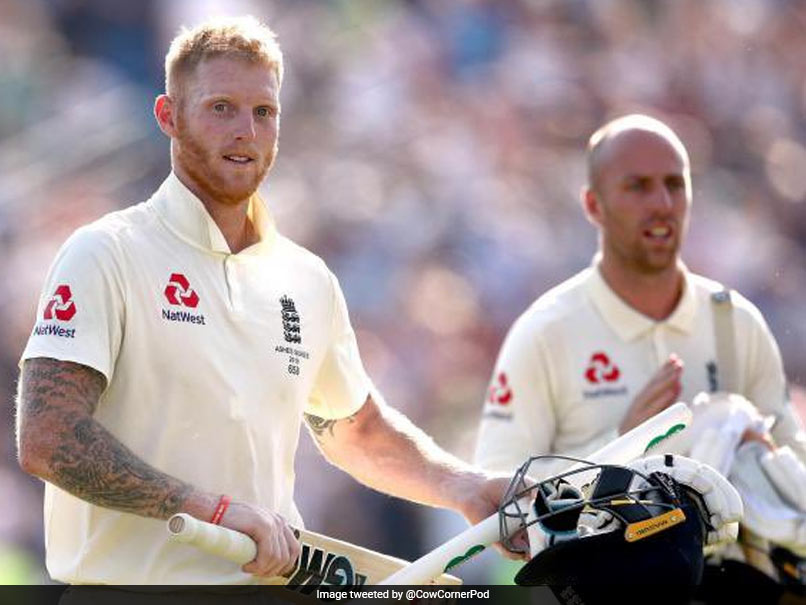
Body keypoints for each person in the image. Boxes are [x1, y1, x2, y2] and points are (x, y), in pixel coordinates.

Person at [15, 16, 511, 586]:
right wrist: (212, 511)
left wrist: (465, 487)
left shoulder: (306, 278)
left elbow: (358, 432)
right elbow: (48, 438)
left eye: (263, 112)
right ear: (168, 117)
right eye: (221, 107)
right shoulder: (106, 253)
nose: (245, 131)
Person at [474, 113, 806, 478]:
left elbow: (795, 477)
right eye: (638, 186)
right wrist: (622, 444)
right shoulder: (544, 334)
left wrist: (762, 454)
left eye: (675, 184)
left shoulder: (735, 321)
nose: (662, 203)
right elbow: (500, 498)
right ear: (593, 206)